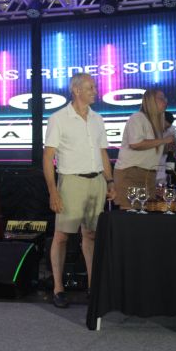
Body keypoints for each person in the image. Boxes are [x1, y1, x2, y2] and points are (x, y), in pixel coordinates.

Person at [43, 73, 116, 309]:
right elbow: (48, 157)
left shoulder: (97, 119)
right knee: (62, 236)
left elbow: (103, 152)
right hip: (71, 181)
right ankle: (58, 288)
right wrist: (53, 191)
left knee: (91, 235)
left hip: (97, 181)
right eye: (90, 87)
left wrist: (110, 181)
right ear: (76, 90)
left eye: (94, 87)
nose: (95, 91)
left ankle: (93, 288)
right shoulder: (58, 118)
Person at [113, 89, 175, 208]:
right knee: (130, 212)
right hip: (131, 173)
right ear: (150, 101)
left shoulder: (157, 123)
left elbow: (152, 150)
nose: (165, 101)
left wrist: (168, 146)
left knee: (146, 212)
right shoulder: (137, 118)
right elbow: (135, 144)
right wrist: (164, 140)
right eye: (161, 98)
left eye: (165, 98)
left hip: (149, 175)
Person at [155, 111, 176, 186]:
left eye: (167, 127)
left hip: (164, 164)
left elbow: (173, 148)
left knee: (163, 185)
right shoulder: (150, 129)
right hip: (150, 163)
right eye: (165, 126)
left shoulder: (172, 131)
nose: (165, 128)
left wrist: (170, 147)